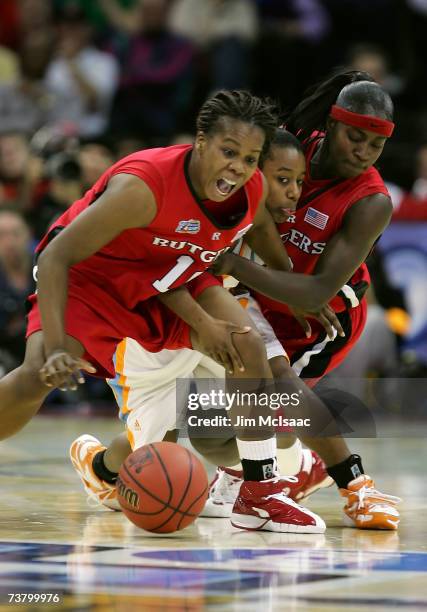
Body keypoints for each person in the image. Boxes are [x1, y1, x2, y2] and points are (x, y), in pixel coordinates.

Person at [0, 89, 330, 534]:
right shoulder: (143, 186)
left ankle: (259, 495)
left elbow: (269, 252)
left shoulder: (249, 191)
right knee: (37, 372)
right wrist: (58, 346)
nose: (238, 167)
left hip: (171, 280)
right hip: (92, 278)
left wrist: (295, 290)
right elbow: (58, 257)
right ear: (200, 142)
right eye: (228, 152)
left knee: (245, 346)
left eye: (250, 159)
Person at [210, 71, 401, 529]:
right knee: (220, 413)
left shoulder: (372, 200)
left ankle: (355, 485)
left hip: (323, 313)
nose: (363, 152)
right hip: (266, 287)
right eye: (356, 137)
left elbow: (317, 291)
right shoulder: (288, 147)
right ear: (332, 124)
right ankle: (282, 467)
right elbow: (253, 211)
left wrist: (234, 266)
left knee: (276, 389)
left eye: (375, 146)